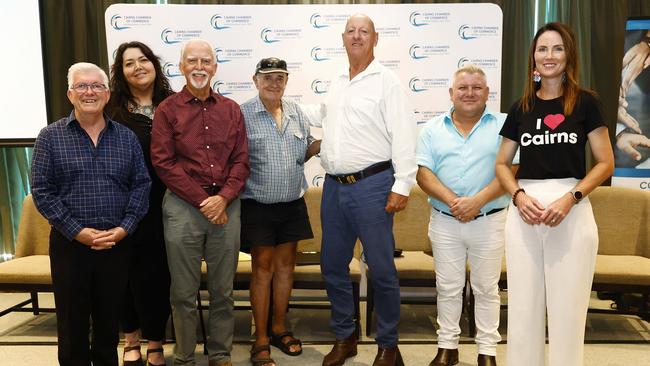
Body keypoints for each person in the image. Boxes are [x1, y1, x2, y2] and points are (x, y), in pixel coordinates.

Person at [495, 22, 614, 366]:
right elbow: (502, 164)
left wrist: (570, 198)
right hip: (524, 212)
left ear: (569, 55)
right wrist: (518, 196)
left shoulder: (586, 103)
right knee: (523, 311)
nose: (549, 55)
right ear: (533, 57)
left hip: (571, 209)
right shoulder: (521, 108)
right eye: (542, 49)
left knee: (567, 313)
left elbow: (605, 162)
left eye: (557, 48)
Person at [305, 14, 417, 366]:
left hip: (374, 186)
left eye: (363, 31)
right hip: (335, 190)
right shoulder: (338, 81)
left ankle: (388, 345)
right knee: (332, 266)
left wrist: (402, 185)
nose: (357, 36)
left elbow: (404, 136)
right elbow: (326, 116)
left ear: (375, 38)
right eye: (351, 31)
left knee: (381, 269)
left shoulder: (388, 82)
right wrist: (278, 101)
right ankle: (345, 337)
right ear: (343, 38)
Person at [31, 62, 151, 366]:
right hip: (70, 246)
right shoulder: (50, 137)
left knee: (109, 324)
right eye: (82, 86)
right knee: (71, 325)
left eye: (96, 86)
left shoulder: (126, 138)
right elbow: (42, 192)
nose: (89, 92)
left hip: (116, 244)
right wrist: (78, 232)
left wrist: (125, 227)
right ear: (70, 94)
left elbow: (141, 185)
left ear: (107, 94)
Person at [151, 38, 249, 366]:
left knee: (223, 291)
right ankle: (183, 357)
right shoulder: (167, 110)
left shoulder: (231, 110)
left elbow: (241, 161)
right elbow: (163, 163)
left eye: (205, 61)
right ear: (181, 68)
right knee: (183, 292)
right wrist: (204, 201)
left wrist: (221, 199)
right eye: (191, 61)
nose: (199, 67)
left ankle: (220, 354)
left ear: (215, 68)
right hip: (182, 206)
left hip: (226, 205)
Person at [416, 65, 508, 366]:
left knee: (487, 288)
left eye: (477, 87)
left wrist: (477, 202)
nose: (469, 93)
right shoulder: (430, 129)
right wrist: (456, 202)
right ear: (451, 93)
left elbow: (513, 169)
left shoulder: (505, 125)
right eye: (463, 88)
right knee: (448, 287)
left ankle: (487, 351)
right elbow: (423, 174)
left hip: (490, 220)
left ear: (487, 92)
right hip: (445, 220)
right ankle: (447, 347)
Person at [239, 57, 320, 366]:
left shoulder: (296, 111)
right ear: (256, 80)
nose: (274, 83)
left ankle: (279, 329)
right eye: (267, 77)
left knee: (286, 267)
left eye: (280, 78)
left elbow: (309, 146)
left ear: (286, 81)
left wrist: (336, 141)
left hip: (292, 204)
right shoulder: (243, 114)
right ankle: (259, 338)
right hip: (257, 205)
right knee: (262, 268)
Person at [107, 41, 175, 366]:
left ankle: (156, 342)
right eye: (129, 63)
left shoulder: (174, 104)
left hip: (167, 205)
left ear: (154, 64)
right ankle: (131, 337)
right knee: (125, 274)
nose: (138, 67)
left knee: (157, 276)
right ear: (120, 73)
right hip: (122, 206)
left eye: (143, 59)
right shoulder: (110, 110)